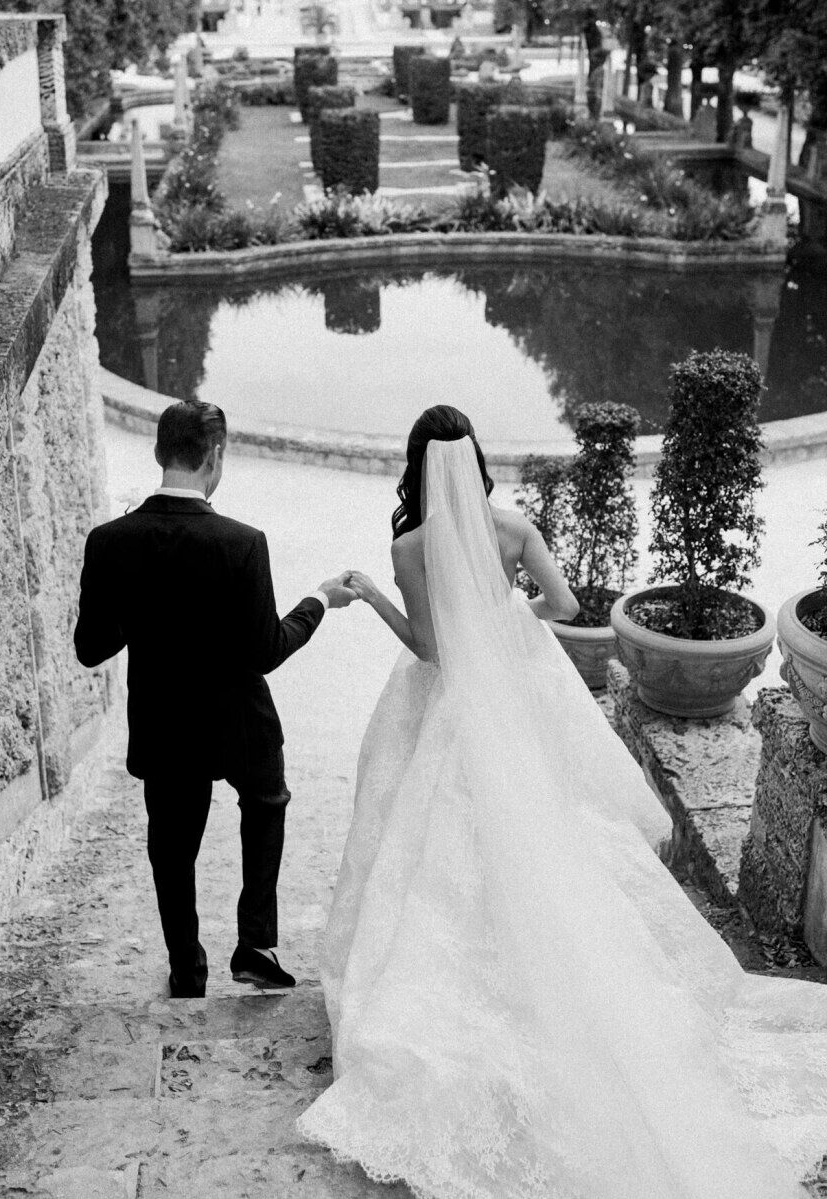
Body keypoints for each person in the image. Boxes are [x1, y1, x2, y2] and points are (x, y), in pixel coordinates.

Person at [297, 405, 827, 1199]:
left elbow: (434, 649)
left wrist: (370, 593)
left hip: (445, 709)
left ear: (416, 467)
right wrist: (507, 621)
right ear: (474, 460)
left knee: (429, 848)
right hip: (508, 698)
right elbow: (569, 607)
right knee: (546, 834)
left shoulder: (409, 546)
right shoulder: (510, 527)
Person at [74, 401, 356, 999]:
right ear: (216, 457)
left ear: (158, 453)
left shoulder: (110, 541)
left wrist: (139, 595)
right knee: (266, 799)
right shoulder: (242, 543)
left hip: (164, 722)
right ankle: (254, 945)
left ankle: (186, 967)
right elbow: (266, 650)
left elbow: (92, 647)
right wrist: (319, 601)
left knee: (171, 847)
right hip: (240, 722)